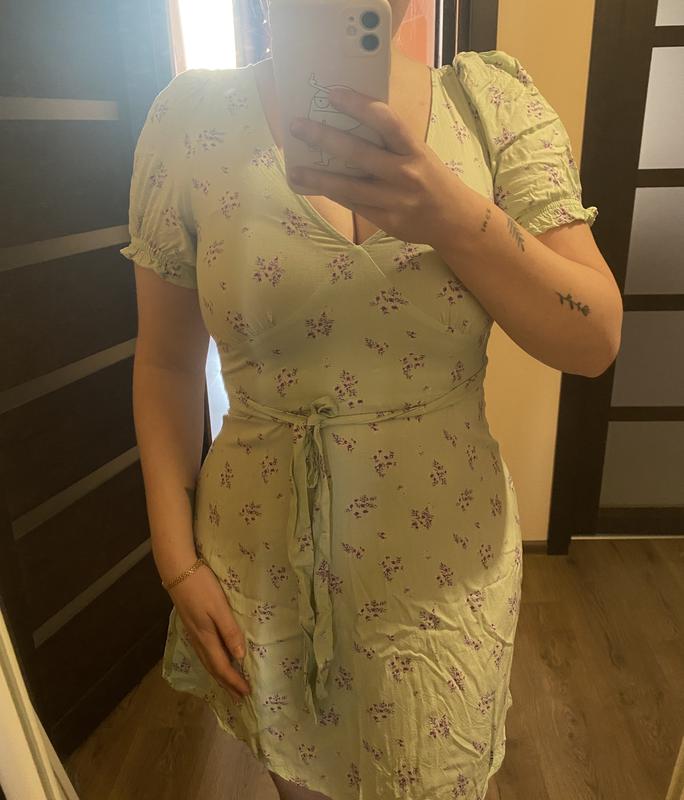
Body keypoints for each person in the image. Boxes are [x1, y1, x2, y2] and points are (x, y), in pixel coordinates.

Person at [119, 0, 622, 798]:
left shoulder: (490, 108)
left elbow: (593, 339)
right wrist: (176, 562)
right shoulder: (190, 123)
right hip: (263, 566)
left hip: (445, 572)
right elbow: (167, 365)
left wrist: (451, 215)